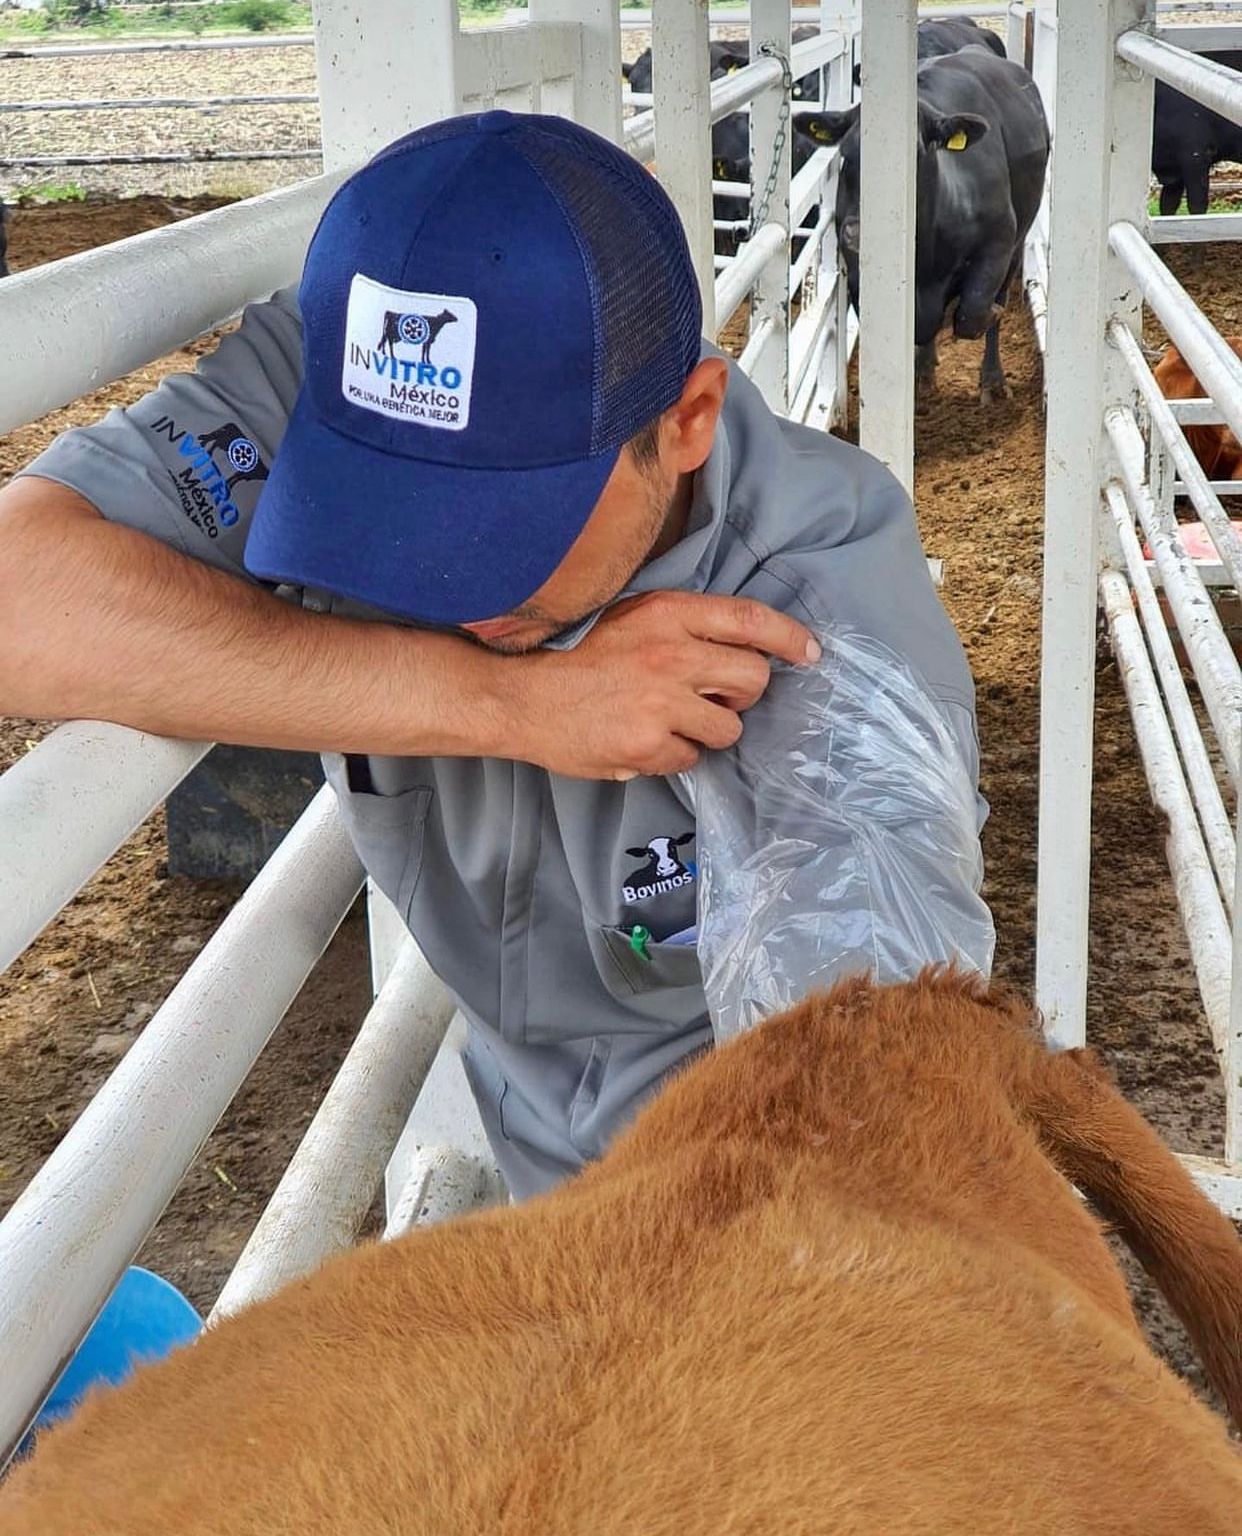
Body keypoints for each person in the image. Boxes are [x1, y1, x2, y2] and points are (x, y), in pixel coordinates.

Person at [0, 111, 991, 1198]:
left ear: (689, 422)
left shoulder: (820, 621)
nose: (442, 584)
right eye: (384, 506)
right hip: (527, 1151)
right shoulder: (354, 363)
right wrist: (507, 703)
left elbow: (871, 1125)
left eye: (505, 523)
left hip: (705, 1205)